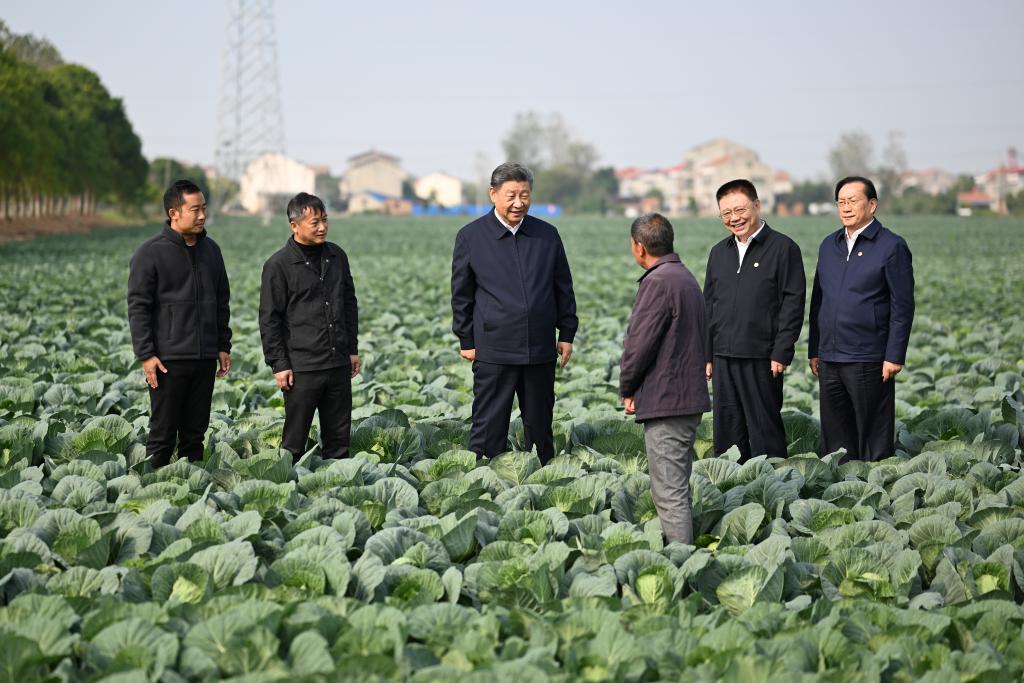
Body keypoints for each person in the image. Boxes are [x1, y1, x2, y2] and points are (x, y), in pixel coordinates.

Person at [450, 162, 578, 463]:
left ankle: (543, 478)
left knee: (540, 426)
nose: (518, 203)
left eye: (524, 194)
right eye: (511, 195)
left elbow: (563, 287)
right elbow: (462, 295)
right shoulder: (471, 236)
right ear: (493, 194)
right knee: (488, 427)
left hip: (539, 348)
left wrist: (567, 332)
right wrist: (466, 340)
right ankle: (485, 480)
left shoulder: (547, 235)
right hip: (494, 348)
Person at [808, 176, 915, 461]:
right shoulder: (829, 245)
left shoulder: (891, 246)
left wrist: (894, 355)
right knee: (835, 434)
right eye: (841, 202)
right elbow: (819, 300)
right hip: (830, 356)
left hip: (868, 356)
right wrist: (815, 349)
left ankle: (878, 485)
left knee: (872, 433)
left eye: (853, 201)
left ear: (872, 204)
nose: (846, 207)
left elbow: (902, 306)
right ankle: (839, 487)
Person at [127, 179, 232, 468]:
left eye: (204, 209)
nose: (202, 216)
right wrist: (146, 354)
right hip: (167, 360)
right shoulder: (150, 253)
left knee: (195, 435)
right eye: (195, 209)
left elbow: (221, 300)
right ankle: (152, 490)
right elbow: (138, 307)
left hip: (204, 358)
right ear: (174, 213)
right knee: (162, 434)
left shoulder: (211, 250)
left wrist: (223, 344)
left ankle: (193, 492)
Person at [620, 213, 710, 545]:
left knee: (669, 492)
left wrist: (628, 387)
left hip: (667, 401)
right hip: (687, 398)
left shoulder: (657, 282)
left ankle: (681, 566)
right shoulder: (684, 277)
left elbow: (638, 345)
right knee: (677, 486)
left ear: (638, 247)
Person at [703, 179, 805, 461]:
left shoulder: (784, 249)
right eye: (726, 213)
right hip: (723, 355)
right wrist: (706, 353)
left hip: (762, 357)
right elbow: (708, 305)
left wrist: (782, 350)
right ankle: (731, 491)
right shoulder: (718, 252)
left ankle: (771, 487)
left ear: (757, 205)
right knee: (727, 430)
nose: (734, 218)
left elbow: (792, 304)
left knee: (764, 429)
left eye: (739, 210)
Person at [259, 193, 360, 459]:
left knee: (339, 439)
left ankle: (338, 487)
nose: (323, 227)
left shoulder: (337, 256)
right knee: (294, 439)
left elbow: (348, 304)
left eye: (325, 220)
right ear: (294, 225)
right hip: (302, 366)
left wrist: (351, 349)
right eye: (315, 222)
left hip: (337, 361)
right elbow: (270, 319)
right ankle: (289, 489)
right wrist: (279, 364)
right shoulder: (278, 265)